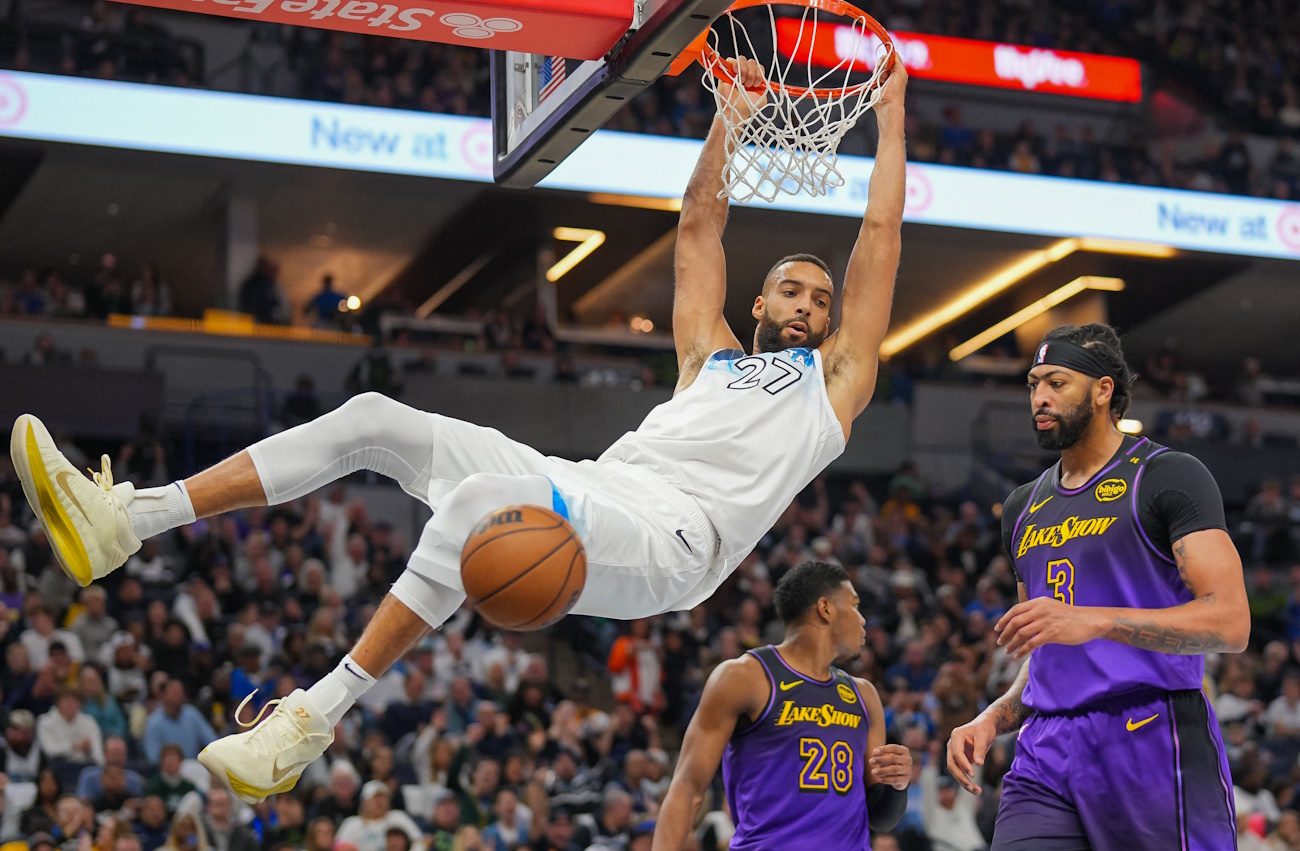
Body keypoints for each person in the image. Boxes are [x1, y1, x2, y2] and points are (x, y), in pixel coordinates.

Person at [10, 56, 909, 805]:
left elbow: (879, 232)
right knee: (374, 418)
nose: (808, 304)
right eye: (792, 289)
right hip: (596, 479)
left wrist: (892, 111)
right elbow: (699, 230)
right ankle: (128, 519)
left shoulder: (832, 386)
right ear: (761, 302)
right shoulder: (708, 357)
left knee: (481, 500)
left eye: (821, 300)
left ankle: (311, 718)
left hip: (677, 539)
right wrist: (733, 119)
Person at [945, 324, 1251, 851]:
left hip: (1150, 733)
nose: (1040, 397)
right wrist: (995, 716)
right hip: (1046, 747)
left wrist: (1096, 620)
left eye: (1057, 383)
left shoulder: (1167, 476)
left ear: (1103, 389)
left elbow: (1231, 623)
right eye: (1033, 384)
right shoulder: (1022, 506)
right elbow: (1042, 650)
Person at [652, 561, 912, 850]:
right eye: (854, 605)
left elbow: (880, 819)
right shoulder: (745, 677)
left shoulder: (864, 695)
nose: (863, 620)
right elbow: (688, 787)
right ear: (825, 608)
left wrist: (898, 784)